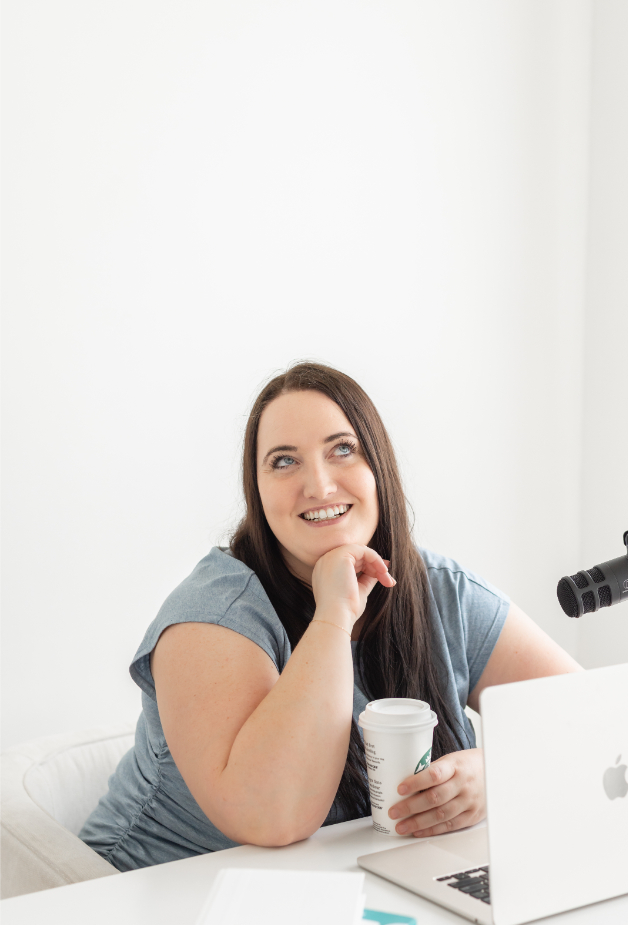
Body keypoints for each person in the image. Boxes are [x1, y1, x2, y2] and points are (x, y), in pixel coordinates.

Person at [80, 363, 580, 870]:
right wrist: (333, 617)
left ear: (377, 466)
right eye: (283, 461)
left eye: (342, 449)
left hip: (335, 890)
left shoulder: (441, 591)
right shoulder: (212, 616)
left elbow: (591, 718)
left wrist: (496, 773)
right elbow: (274, 818)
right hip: (144, 893)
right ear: (257, 491)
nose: (318, 486)